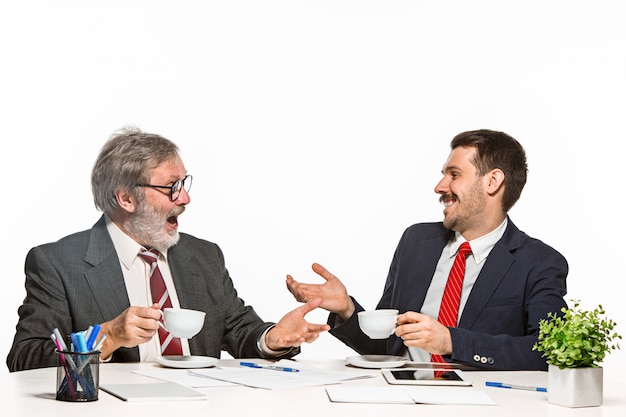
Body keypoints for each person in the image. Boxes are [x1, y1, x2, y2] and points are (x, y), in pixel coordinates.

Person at [7, 126, 329, 372]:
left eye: (184, 184)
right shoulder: (58, 263)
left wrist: (271, 339)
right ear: (126, 199)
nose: (184, 198)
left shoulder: (203, 256)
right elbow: (24, 359)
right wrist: (106, 338)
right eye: (170, 187)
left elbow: (239, 330)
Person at [286, 129, 568, 371]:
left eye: (454, 174)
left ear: (492, 182)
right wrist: (347, 309)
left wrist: (451, 342)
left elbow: (550, 352)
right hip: (399, 396)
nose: (439, 186)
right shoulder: (417, 242)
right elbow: (386, 347)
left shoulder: (539, 263)